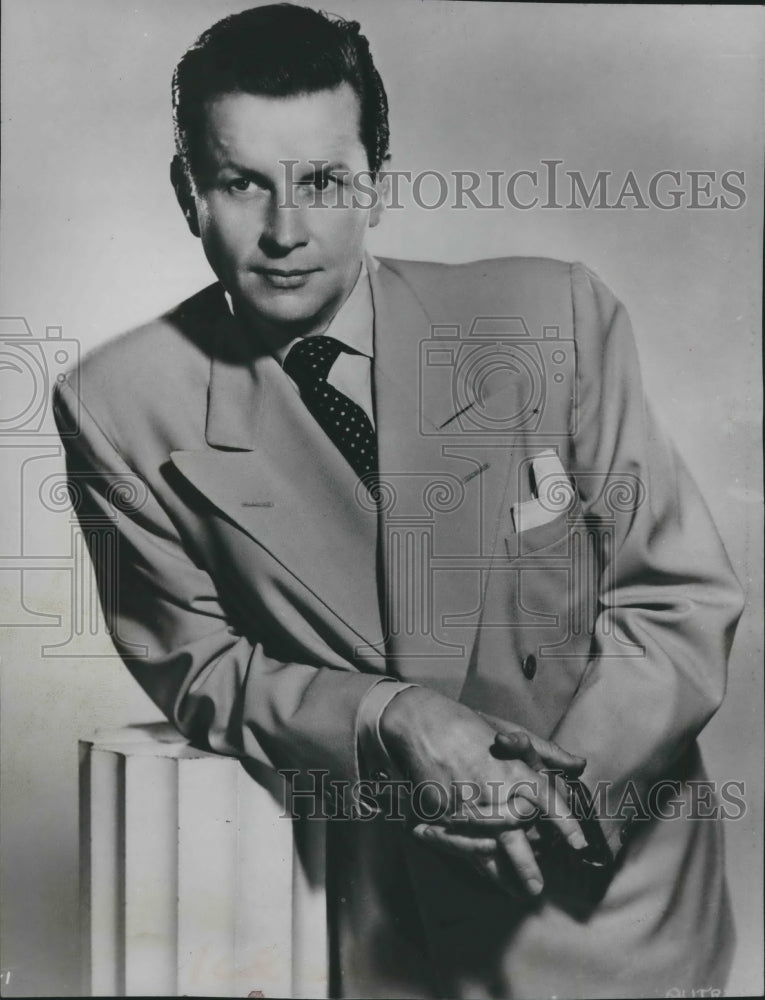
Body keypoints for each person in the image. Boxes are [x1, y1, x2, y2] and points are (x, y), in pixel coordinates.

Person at [53, 4, 744, 997]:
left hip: (616, 905)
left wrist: (547, 792)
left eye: (322, 181)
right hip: (390, 925)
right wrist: (388, 715)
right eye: (243, 182)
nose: (285, 231)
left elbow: (675, 597)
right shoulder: (117, 404)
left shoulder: (550, 314)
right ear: (187, 193)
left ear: (376, 180)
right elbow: (199, 664)